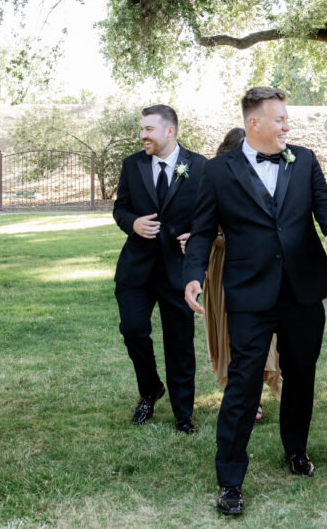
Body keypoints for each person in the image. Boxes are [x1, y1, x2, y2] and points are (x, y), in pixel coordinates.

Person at [182, 87, 327, 516]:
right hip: (249, 292)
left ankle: (296, 449)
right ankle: (230, 479)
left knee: (301, 374)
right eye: (280, 119)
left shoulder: (306, 158)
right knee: (243, 382)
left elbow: (323, 206)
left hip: (302, 289)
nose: (287, 126)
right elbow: (202, 230)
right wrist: (192, 276)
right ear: (253, 123)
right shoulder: (218, 170)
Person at [112, 104, 206, 432]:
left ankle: (183, 414)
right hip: (135, 270)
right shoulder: (132, 165)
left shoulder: (200, 167)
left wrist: (196, 236)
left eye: (148, 129)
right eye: (141, 130)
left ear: (170, 131)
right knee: (133, 330)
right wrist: (132, 223)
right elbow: (120, 208)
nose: (142, 136)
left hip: (178, 272)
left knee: (179, 343)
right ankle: (150, 389)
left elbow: (210, 214)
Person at [202, 128, 282, 419]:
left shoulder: (267, 176)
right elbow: (203, 222)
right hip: (223, 261)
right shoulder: (215, 177)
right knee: (230, 330)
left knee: (266, 331)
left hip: (262, 264)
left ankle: (270, 385)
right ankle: (248, 397)